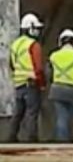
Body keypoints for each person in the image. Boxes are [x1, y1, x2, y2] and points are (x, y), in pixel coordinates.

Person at [6, 13, 46, 142]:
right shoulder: (33, 45)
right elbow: (38, 67)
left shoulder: (15, 45)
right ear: (31, 28)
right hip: (31, 83)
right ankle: (32, 139)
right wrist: (42, 83)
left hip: (19, 85)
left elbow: (12, 65)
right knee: (32, 113)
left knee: (18, 114)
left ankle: (11, 137)